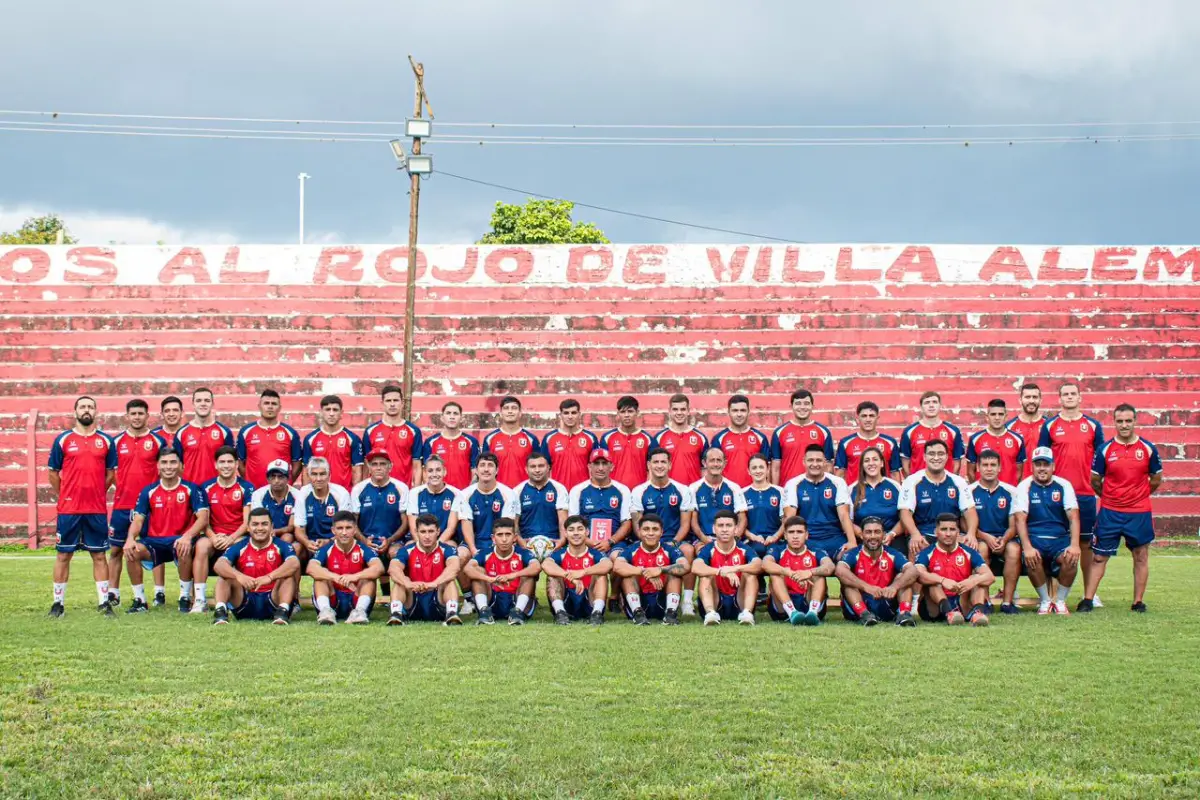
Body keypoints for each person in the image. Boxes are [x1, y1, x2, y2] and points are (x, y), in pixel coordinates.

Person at [1082, 404, 1164, 613]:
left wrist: (1138, 495)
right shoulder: (1105, 450)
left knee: (1140, 555)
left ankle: (1138, 602)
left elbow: (1156, 479)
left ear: (1135, 421)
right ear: (1114, 422)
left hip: (1139, 512)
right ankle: (1088, 600)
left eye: (1128, 421)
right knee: (1099, 556)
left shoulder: (1147, 449)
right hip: (1110, 511)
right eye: (1120, 421)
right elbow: (1095, 480)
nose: (1124, 425)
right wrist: (1110, 497)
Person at [48, 395, 118, 617]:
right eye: (82, 407)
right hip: (69, 510)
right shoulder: (63, 440)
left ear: (95, 412)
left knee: (99, 556)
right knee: (63, 555)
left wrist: (97, 492)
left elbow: (110, 474)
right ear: (75, 411)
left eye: (90, 407)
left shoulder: (106, 441)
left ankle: (104, 603)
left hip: (96, 509)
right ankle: (57, 604)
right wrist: (65, 494)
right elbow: (53, 473)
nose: (86, 410)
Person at [1039, 381, 1105, 604]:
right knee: (1051, 540)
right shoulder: (1050, 426)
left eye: (1073, 393)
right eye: (1065, 394)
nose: (1069, 397)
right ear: (1059, 398)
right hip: (1054, 494)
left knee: (1085, 544)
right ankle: (1050, 596)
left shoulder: (1093, 426)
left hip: (1084, 493)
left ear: (1080, 398)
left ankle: (1090, 593)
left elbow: (1100, 460)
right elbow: (1042, 457)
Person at [122, 448, 210, 613]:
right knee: (131, 551)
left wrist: (187, 536)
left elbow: (203, 518)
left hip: (179, 540)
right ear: (157, 466)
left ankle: (184, 597)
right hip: (155, 541)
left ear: (180, 465)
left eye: (172, 462)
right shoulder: (148, 491)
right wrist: (130, 538)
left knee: (184, 547)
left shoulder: (192, 489)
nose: (168, 467)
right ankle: (140, 600)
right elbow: (138, 519)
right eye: (164, 462)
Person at [107, 399, 167, 607]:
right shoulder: (116, 443)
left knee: (155, 549)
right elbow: (110, 472)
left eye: (141, 413)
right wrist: (121, 487)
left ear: (147, 416)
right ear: (127, 416)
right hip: (122, 506)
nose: (137, 417)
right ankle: (112, 593)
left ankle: (159, 592)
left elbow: (167, 469)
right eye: (133, 414)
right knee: (116, 550)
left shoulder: (157, 442)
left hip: (149, 508)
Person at [1013, 447, 1081, 615]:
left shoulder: (1064, 485)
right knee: (1032, 558)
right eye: (1038, 464)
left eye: (1046, 464)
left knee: (1071, 558)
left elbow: (1073, 517)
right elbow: (1020, 519)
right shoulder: (1024, 486)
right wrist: (1027, 547)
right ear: (1032, 467)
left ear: (1053, 466)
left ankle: (1060, 601)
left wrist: (1075, 545)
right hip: (1035, 537)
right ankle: (1045, 601)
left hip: (1059, 538)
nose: (1042, 468)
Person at [211, 508, 299, 625]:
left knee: (288, 576)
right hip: (245, 599)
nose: (260, 528)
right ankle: (220, 612)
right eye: (255, 524)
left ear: (272, 526)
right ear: (248, 527)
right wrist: (239, 576)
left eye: (264, 524)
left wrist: (269, 577)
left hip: (273, 599)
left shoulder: (282, 545)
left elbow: (294, 563)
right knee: (225, 576)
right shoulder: (240, 546)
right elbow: (219, 565)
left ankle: (282, 613)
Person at [193, 446, 254, 614]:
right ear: (215, 465)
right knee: (201, 546)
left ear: (236, 464)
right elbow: (203, 520)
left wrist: (231, 539)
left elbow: (247, 523)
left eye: (229, 462)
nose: (226, 466)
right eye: (222, 462)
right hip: (214, 535)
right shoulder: (205, 487)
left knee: (241, 547)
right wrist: (213, 537)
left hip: (238, 535)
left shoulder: (246, 488)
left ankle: (240, 596)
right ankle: (199, 599)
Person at [687, 448, 748, 614]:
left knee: (746, 559)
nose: (715, 464)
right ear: (704, 463)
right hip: (704, 538)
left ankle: (740, 600)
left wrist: (734, 538)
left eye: (719, 460)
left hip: (730, 539)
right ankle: (690, 602)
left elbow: (742, 518)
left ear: (724, 463)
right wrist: (705, 539)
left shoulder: (734, 488)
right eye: (711, 460)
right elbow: (693, 520)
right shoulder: (694, 488)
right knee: (701, 555)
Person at [897, 439, 977, 560]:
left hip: (952, 533)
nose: (936, 458)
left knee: (973, 546)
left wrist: (971, 534)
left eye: (940, 454)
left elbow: (970, 511)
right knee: (916, 547)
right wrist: (915, 534)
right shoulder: (912, 481)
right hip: (924, 533)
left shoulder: (958, 481)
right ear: (924, 457)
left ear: (946, 457)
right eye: (931, 454)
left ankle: (968, 579)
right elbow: (905, 513)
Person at [836, 517, 918, 627]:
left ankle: (904, 614)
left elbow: (913, 571)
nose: (873, 536)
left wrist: (894, 587)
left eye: (877, 532)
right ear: (862, 535)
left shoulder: (892, 553)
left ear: (884, 535)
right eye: (868, 532)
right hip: (859, 604)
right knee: (848, 583)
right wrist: (867, 587)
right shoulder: (853, 554)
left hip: (885, 601)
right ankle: (864, 615)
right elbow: (839, 571)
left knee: (903, 577)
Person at [915, 514, 994, 626]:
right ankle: (949, 612)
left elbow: (990, 576)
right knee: (932, 582)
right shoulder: (927, 552)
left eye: (952, 529)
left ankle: (977, 613)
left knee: (978, 578)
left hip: (961, 599)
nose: (948, 534)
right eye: (943, 529)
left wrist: (972, 581)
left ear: (958, 532)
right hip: (935, 607)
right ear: (936, 531)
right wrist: (942, 580)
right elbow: (918, 574)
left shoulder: (969, 552)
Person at [782, 444, 857, 560]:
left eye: (819, 460)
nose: (815, 464)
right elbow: (789, 518)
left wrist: (852, 541)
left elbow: (844, 515)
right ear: (804, 462)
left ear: (825, 462)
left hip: (835, 538)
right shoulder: (793, 484)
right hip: (807, 540)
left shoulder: (838, 482)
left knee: (849, 561)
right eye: (810, 460)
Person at [308, 511, 383, 624]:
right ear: (333, 530)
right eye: (340, 528)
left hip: (355, 597)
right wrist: (335, 577)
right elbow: (311, 568)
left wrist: (354, 577)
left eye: (348, 528)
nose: (344, 532)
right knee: (320, 577)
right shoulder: (327, 549)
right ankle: (326, 612)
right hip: (334, 598)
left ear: (355, 530)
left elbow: (379, 567)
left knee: (369, 578)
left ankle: (359, 612)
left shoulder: (363, 548)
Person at [610, 514, 688, 625]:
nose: (650, 533)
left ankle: (670, 614)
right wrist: (645, 571)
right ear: (639, 532)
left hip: (662, 600)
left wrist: (661, 570)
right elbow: (617, 566)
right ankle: (638, 614)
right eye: (646, 529)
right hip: (640, 600)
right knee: (627, 575)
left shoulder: (670, 549)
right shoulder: (630, 549)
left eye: (655, 529)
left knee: (674, 573)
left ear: (661, 532)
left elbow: (685, 566)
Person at [387, 513, 463, 625]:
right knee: (400, 582)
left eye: (431, 531)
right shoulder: (406, 550)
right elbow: (393, 569)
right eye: (423, 532)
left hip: (437, 599)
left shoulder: (447, 549)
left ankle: (452, 614)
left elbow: (454, 568)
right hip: (413, 599)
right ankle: (396, 615)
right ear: (416, 532)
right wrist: (407, 583)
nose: (427, 536)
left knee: (449, 581)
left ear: (438, 531)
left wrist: (434, 583)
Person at [969, 450, 1020, 613]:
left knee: (1014, 549)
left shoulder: (1011, 491)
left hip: (1004, 538)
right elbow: (965, 524)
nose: (989, 469)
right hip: (980, 538)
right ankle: (985, 600)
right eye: (985, 465)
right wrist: (986, 537)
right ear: (978, 467)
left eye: (993, 465)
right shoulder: (969, 491)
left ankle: (1007, 602)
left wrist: (1003, 540)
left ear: (999, 468)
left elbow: (1014, 525)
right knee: (981, 548)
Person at [463, 518, 541, 625]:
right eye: (500, 535)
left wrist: (512, 575)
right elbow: (467, 568)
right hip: (493, 599)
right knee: (478, 571)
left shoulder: (523, 553)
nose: (504, 539)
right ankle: (484, 612)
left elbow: (537, 567)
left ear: (514, 537)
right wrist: (489, 579)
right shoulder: (484, 553)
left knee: (529, 574)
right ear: (493, 538)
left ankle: (517, 613)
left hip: (516, 597)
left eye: (508, 534)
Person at [350, 450, 409, 588]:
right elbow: (353, 522)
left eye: (383, 464)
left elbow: (405, 522)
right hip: (366, 540)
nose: (378, 467)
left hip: (394, 540)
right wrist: (364, 541)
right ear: (369, 467)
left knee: (396, 553)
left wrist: (390, 540)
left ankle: (400, 594)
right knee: (359, 555)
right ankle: (359, 595)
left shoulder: (401, 488)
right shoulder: (359, 489)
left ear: (390, 466)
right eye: (374, 464)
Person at [692, 510, 761, 625]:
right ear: (714, 529)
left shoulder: (744, 548)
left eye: (728, 525)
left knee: (749, 573)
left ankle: (747, 613)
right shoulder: (709, 548)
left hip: (739, 600)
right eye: (720, 526)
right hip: (716, 600)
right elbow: (695, 567)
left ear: (736, 529)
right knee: (706, 574)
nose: (724, 529)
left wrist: (735, 568)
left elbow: (758, 564)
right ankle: (710, 614)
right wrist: (720, 571)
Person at [763, 517, 835, 626]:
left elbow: (830, 566)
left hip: (808, 598)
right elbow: (765, 564)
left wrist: (810, 572)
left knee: (819, 574)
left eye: (799, 532)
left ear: (806, 535)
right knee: (775, 574)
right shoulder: (777, 550)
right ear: (785, 535)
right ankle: (792, 613)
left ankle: (813, 613)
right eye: (791, 532)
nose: (795, 536)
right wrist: (789, 572)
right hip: (783, 606)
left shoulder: (816, 550)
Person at [542, 515, 612, 625]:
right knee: (552, 576)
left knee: (601, 574)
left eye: (580, 529)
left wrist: (583, 572)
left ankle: (597, 614)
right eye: (571, 530)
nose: (575, 533)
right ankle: (560, 613)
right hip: (567, 600)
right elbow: (546, 564)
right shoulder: (560, 553)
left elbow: (608, 564)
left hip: (589, 599)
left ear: (587, 532)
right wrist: (568, 576)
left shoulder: (594, 553)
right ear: (565, 533)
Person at [454, 453, 519, 561]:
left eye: (490, 465)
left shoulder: (509, 494)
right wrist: (473, 549)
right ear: (476, 470)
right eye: (482, 465)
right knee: (461, 555)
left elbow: (506, 526)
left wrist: (494, 549)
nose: (486, 469)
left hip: (499, 542)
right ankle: (471, 578)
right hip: (474, 542)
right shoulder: (465, 495)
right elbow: (467, 524)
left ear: (497, 470)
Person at [292, 457, 353, 574]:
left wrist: (329, 541)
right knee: (295, 549)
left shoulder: (341, 493)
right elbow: (299, 529)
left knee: (346, 545)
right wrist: (307, 542)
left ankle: (343, 589)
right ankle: (294, 591)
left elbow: (346, 529)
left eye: (322, 474)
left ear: (329, 475)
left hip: (335, 542)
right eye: (314, 474)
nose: (318, 478)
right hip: (310, 544)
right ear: (309, 476)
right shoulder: (303, 494)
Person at [567, 449, 633, 553]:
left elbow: (626, 523)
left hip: (614, 542)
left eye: (604, 463)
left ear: (611, 466)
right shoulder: (577, 490)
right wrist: (590, 542)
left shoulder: (623, 490)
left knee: (616, 558)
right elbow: (572, 522)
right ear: (589, 466)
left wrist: (610, 541)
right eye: (596, 463)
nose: (601, 468)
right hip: (585, 542)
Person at [630, 447, 695, 552]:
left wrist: (674, 542)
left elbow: (685, 524)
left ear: (669, 465)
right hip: (648, 540)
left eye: (663, 462)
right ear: (649, 465)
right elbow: (637, 525)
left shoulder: (683, 490)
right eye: (655, 462)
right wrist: (650, 542)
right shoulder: (638, 491)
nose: (659, 466)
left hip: (674, 540)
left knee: (688, 550)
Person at [236, 389, 302, 489]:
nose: (270, 407)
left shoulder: (290, 433)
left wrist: (287, 483)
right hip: (254, 491)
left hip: (281, 492)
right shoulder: (246, 432)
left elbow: (297, 464)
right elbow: (240, 463)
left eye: (274, 404)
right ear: (259, 406)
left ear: (279, 408)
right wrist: (249, 483)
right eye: (266, 403)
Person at [770, 388, 834, 487]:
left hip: (815, 490)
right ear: (791, 406)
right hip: (788, 490)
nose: (802, 407)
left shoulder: (823, 432)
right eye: (798, 403)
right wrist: (776, 490)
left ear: (812, 406)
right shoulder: (779, 432)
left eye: (806, 403)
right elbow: (775, 467)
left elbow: (828, 466)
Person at [364, 383, 424, 486]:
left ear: (402, 403)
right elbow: (366, 465)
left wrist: (415, 492)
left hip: (404, 490)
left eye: (395, 400)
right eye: (388, 401)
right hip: (377, 490)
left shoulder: (413, 431)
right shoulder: (370, 431)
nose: (392, 404)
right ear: (382, 403)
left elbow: (417, 466)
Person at [173, 387, 234, 487]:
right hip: (191, 492)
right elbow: (178, 465)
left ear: (212, 404)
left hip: (217, 491)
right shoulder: (181, 433)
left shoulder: (224, 432)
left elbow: (231, 463)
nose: (203, 404)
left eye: (207, 400)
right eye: (198, 400)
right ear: (193, 404)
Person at [303, 394, 364, 491]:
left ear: (341, 413)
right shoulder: (310, 439)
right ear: (321, 412)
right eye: (327, 409)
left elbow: (357, 471)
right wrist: (306, 494)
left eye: (335, 410)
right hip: (318, 495)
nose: (331, 414)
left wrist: (354, 495)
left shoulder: (352, 438)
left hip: (344, 494)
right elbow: (306, 471)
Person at [899, 390, 965, 475]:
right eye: (927, 403)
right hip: (919, 484)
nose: (931, 405)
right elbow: (905, 463)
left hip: (945, 484)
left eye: (934, 402)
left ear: (940, 406)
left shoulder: (953, 431)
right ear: (921, 407)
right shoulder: (909, 432)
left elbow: (957, 463)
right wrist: (912, 482)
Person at [834, 401, 901, 484]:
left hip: (883, 494)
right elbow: (840, 474)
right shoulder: (846, 443)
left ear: (877, 418)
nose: (868, 419)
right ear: (857, 418)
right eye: (864, 416)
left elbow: (894, 473)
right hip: (855, 494)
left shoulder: (890, 443)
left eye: (871, 416)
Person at [711, 394, 769, 488]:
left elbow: (766, 469)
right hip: (727, 493)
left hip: (753, 493)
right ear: (728, 412)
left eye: (742, 410)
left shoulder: (760, 438)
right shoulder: (719, 439)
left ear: (748, 412)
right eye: (735, 410)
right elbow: (713, 469)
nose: (739, 414)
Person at [513, 452, 568, 550]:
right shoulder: (517, 491)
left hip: (552, 542)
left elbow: (562, 520)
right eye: (533, 466)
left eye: (541, 466)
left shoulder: (559, 488)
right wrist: (520, 541)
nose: (537, 470)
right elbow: (515, 522)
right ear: (526, 469)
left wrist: (562, 540)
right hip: (527, 543)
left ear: (548, 468)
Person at [483, 395, 540, 488]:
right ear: (500, 413)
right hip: (497, 492)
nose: (510, 411)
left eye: (514, 408)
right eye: (506, 408)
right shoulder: (490, 439)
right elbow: (485, 469)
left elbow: (538, 467)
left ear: (520, 413)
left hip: (525, 492)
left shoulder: (531, 439)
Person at [541, 398, 598, 490]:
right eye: (566, 413)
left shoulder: (590, 438)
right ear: (560, 415)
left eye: (573, 413)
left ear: (579, 415)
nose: (570, 416)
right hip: (557, 492)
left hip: (583, 491)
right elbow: (543, 468)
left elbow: (597, 467)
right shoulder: (549, 438)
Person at [421, 401, 481, 490]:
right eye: (448, 413)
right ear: (442, 418)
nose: (452, 417)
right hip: (439, 494)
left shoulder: (471, 442)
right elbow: (426, 472)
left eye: (455, 414)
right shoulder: (431, 442)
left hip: (463, 494)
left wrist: (470, 492)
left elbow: (475, 471)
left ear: (461, 418)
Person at [849, 447, 904, 543]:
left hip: (892, 538)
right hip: (862, 539)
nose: (871, 463)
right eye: (867, 460)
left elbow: (905, 517)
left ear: (882, 463)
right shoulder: (852, 489)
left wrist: (892, 534)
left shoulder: (896, 487)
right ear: (862, 465)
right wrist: (862, 534)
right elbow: (846, 521)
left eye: (875, 459)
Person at [966, 399, 1026, 484]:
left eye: (1000, 414)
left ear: (1006, 417)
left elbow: (1019, 472)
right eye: (993, 414)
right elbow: (971, 472)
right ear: (987, 417)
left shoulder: (1018, 439)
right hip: (983, 494)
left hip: (1009, 493)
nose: (997, 418)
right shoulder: (975, 439)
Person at [405, 456, 462, 546]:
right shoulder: (414, 493)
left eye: (438, 470)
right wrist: (422, 546)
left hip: (445, 540)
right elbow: (414, 528)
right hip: (421, 541)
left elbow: (451, 528)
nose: (434, 474)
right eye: (430, 471)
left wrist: (435, 547)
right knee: (407, 546)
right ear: (425, 473)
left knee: (452, 546)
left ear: (444, 471)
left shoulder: (456, 494)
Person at [654, 393, 709, 486]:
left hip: (693, 493)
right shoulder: (659, 438)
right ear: (669, 411)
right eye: (675, 409)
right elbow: (653, 469)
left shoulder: (700, 438)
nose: (679, 413)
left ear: (688, 411)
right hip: (668, 493)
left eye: (683, 409)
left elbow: (705, 469)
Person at [599, 395, 654, 489]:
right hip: (614, 491)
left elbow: (653, 468)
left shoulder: (647, 439)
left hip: (639, 492)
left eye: (630, 411)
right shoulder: (607, 438)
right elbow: (602, 468)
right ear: (618, 414)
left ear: (637, 413)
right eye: (623, 412)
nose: (627, 415)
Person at [741, 453, 785, 559]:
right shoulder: (742, 493)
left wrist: (775, 537)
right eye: (754, 468)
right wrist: (753, 537)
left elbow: (786, 520)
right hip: (751, 541)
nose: (758, 471)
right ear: (748, 471)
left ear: (768, 469)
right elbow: (739, 523)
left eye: (761, 467)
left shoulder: (780, 491)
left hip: (776, 540)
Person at [250, 460, 301, 542]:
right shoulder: (258, 494)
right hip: (263, 532)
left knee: (287, 537)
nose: (276, 480)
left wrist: (275, 532)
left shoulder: (297, 495)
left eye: (280, 476)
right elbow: (257, 521)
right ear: (268, 479)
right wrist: (267, 532)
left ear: (288, 478)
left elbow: (291, 526)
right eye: (273, 476)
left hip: (287, 534)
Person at [1006, 383, 1047, 460]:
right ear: (1020, 400)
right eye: (1027, 397)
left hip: (1042, 472)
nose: (1031, 401)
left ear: (1040, 401)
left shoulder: (1049, 426)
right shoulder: (1009, 427)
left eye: (1035, 397)